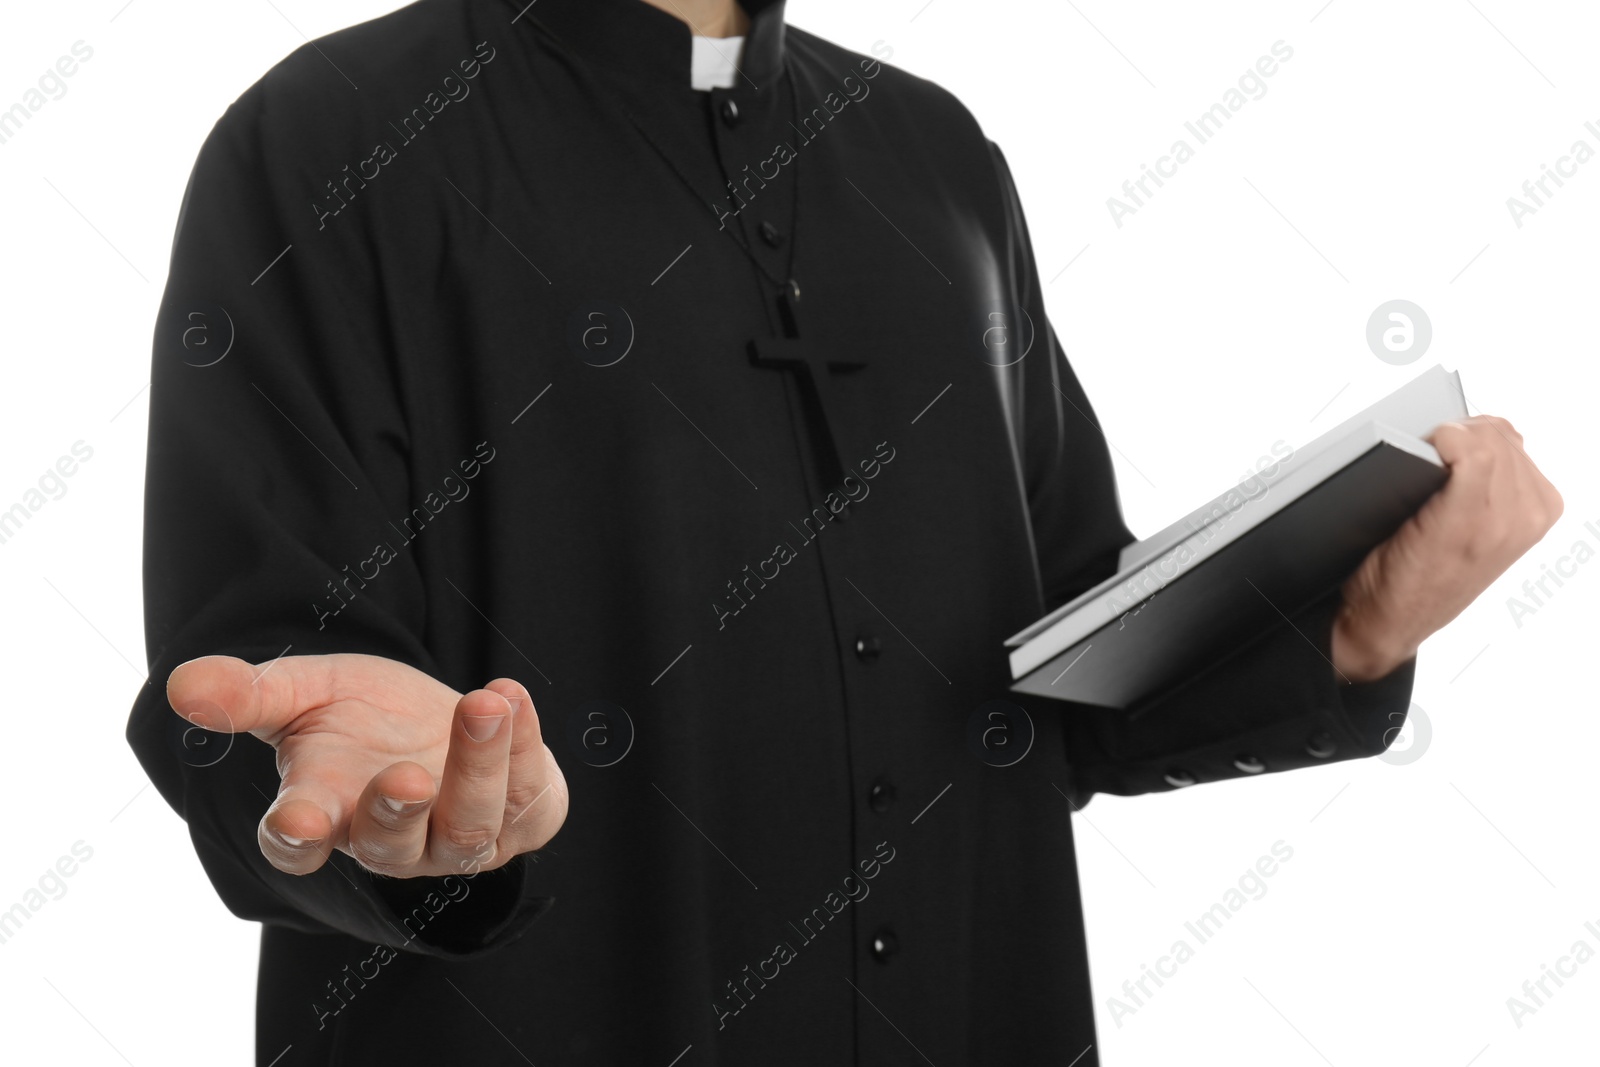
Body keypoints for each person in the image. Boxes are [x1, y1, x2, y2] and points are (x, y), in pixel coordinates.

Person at [127, 0, 1562, 1063]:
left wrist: (1355, 621)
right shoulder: (331, 138)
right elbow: (261, 690)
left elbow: (1054, 677)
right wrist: (395, 816)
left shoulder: (933, 154)